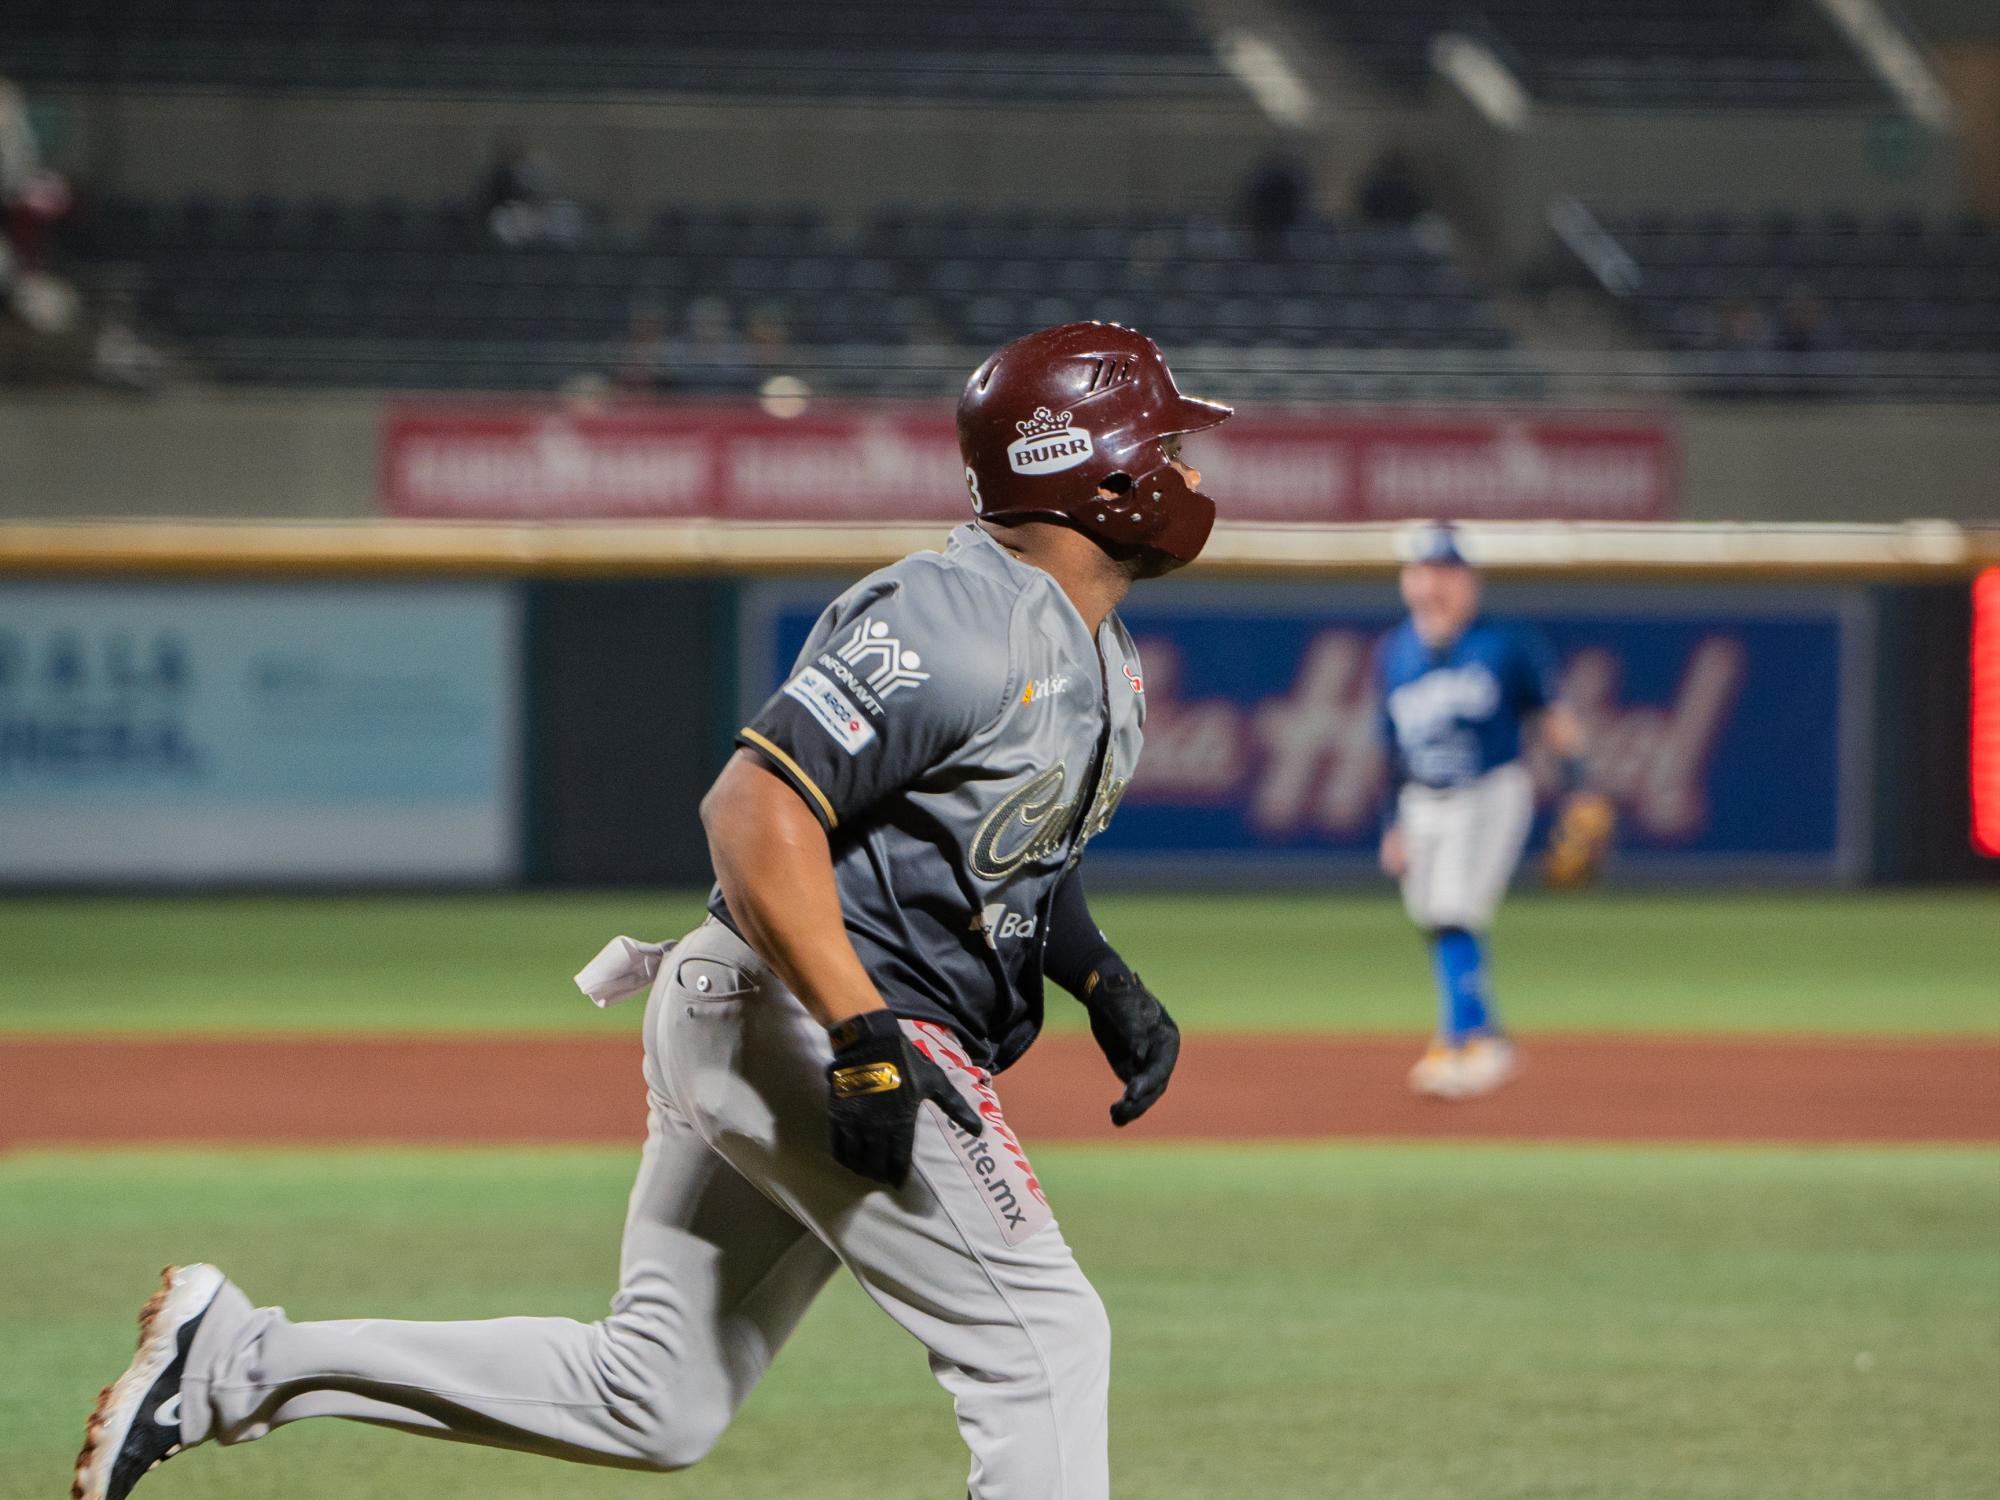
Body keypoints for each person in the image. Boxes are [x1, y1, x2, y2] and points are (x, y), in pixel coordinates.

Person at [73, 321, 1230, 1500]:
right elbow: (753, 809)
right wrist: (860, 1036)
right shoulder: (955, 616)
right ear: (1097, 466)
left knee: (653, 1397)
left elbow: (1005, 849)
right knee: (1042, 1343)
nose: (1190, 473)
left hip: (777, 1014)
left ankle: (232, 1363)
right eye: (1170, 444)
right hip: (812, 1012)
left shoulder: (1095, 648)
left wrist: (1098, 979)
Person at [1373, 522, 1587, 1100]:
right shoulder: (1395, 651)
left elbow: (1554, 719)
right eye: (1423, 572)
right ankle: (1481, 1034)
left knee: (1453, 909)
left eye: (1446, 572)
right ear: (1406, 581)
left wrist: (1581, 788)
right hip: (1421, 799)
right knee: (1433, 913)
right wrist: (1390, 824)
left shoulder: (1506, 643)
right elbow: (1388, 750)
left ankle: (1468, 1044)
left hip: (1490, 791)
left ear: (1470, 580)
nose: (1433, 584)